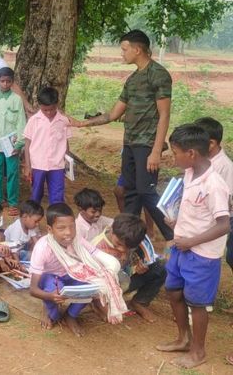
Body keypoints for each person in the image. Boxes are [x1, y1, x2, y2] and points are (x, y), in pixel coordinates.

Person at [70, 30, 173, 241]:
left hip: (147, 145)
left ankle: (173, 236)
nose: (122, 54)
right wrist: (83, 123)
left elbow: (164, 115)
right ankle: (128, 239)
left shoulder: (158, 74)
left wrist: (155, 151)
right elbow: (114, 113)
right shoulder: (132, 79)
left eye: (124, 50)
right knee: (130, 192)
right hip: (130, 144)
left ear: (137, 49)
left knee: (146, 191)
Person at [157, 124, 231, 369]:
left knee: (197, 303)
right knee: (173, 290)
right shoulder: (190, 174)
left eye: (175, 152)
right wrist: (178, 221)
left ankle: (198, 352)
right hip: (181, 247)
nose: (172, 156)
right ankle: (183, 338)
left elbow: (223, 225)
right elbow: (197, 212)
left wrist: (191, 241)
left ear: (191, 154)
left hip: (201, 254)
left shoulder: (215, 185)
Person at [28, 203, 127, 337]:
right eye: (61, 228)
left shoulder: (77, 239)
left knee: (93, 286)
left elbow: (95, 252)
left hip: (71, 273)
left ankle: (70, 315)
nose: (68, 232)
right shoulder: (43, 248)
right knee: (54, 306)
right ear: (50, 229)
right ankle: (50, 312)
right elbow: (33, 289)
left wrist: (112, 266)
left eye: (72, 226)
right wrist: (50, 297)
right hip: (49, 276)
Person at [92, 213, 165, 323]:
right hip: (105, 284)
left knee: (160, 268)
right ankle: (97, 303)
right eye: (118, 244)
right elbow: (93, 278)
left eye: (128, 247)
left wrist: (137, 268)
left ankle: (139, 302)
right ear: (112, 230)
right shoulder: (97, 248)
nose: (122, 249)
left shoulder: (133, 238)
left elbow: (137, 261)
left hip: (123, 279)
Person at [0, 67, 26, 215]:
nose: (5, 84)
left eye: (8, 81)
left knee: (13, 172)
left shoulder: (17, 99)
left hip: (11, 143)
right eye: (3, 81)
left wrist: (20, 143)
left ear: (12, 82)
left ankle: (13, 202)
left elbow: (21, 122)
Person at [193, 117, 233, 275]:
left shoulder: (226, 166)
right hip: (206, 215)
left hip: (222, 217)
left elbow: (228, 199)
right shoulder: (202, 161)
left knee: (230, 256)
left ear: (211, 143)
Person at [23, 87, 71, 205]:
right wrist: (28, 166)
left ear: (57, 104)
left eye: (52, 109)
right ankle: (33, 219)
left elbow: (66, 144)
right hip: (37, 164)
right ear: (39, 106)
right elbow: (28, 143)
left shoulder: (64, 121)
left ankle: (55, 220)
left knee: (57, 196)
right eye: (45, 110)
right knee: (36, 194)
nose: (49, 113)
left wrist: (67, 163)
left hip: (57, 165)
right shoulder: (33, 120)